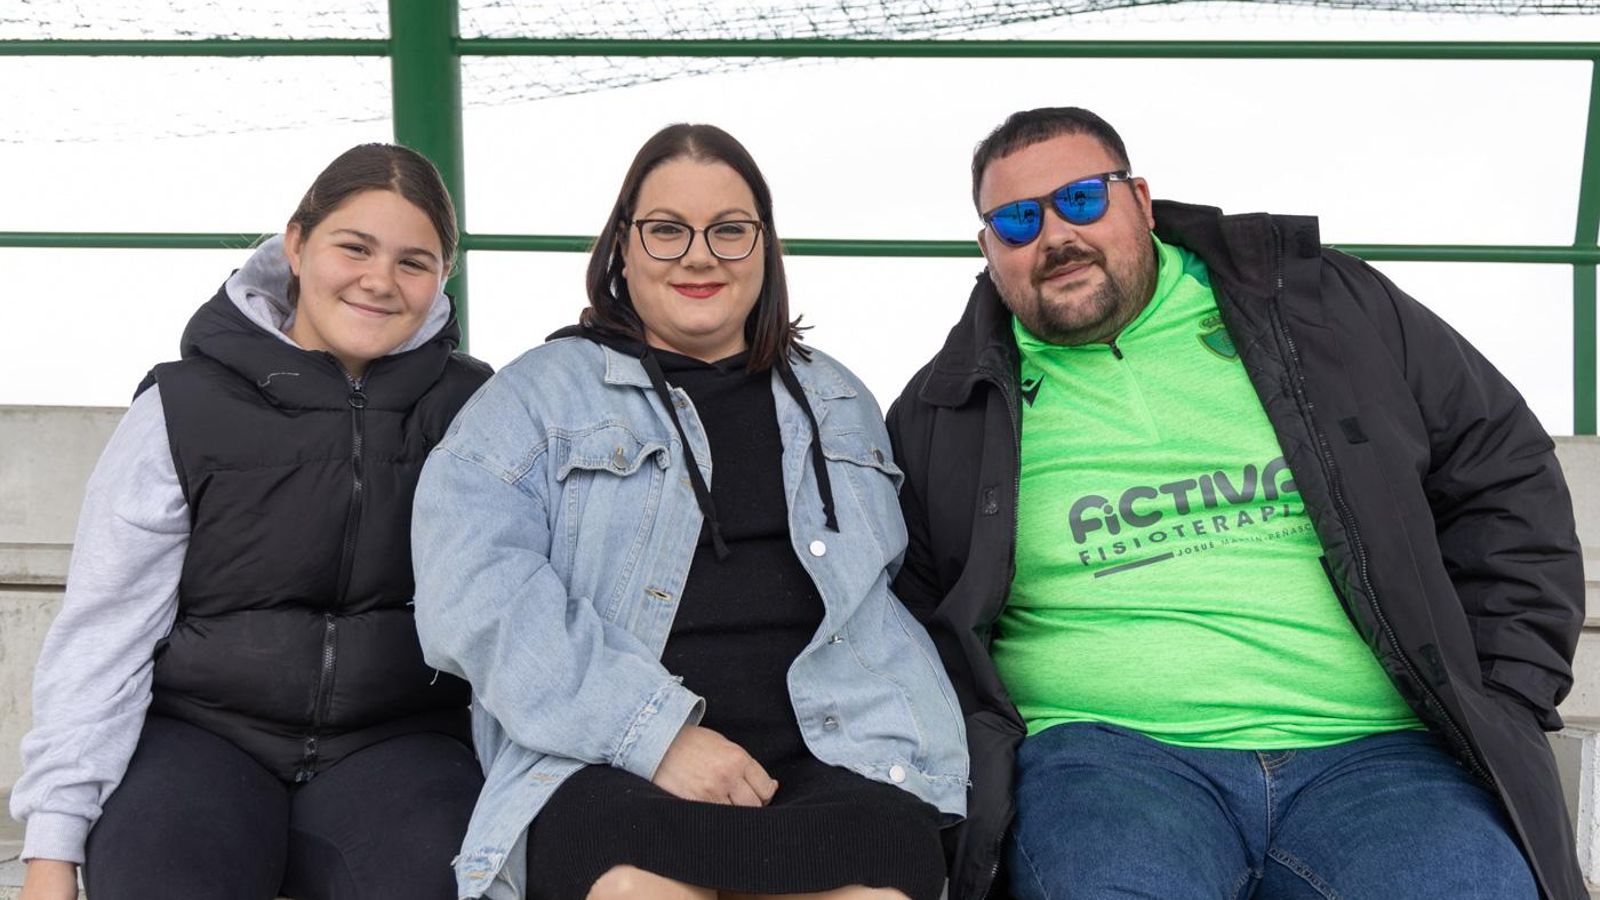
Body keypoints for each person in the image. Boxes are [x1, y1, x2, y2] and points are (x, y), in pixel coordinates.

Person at [885, 106, 1586, 900]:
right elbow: (907, 607)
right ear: (987, 251)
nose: (1054, 237)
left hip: (1378, 754)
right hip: (1111, 762)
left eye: (1081, 199)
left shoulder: (1317, 309)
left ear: (1140, 202)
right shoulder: (945, 409)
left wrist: (1509, 689)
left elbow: (1498, 467)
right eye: (1016, 221)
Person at [410, 122, 967, 900]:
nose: (699, 256)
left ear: (765, 249)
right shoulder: (532, 399)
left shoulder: (840, 399)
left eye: (729, 231)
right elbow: (471, 598)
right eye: (667, 231)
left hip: (841, 754)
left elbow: (894, 588)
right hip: (610, 761)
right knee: (645, 890)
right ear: (622, 251)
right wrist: (655, 734)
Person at [11, 143, 492, 900]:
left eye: (414, 261)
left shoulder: (477, 413)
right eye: (354, 247)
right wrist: (50, 847)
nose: (379, 281)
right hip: (203, 738)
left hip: (400, 744)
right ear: (297, 244)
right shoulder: (181, 407)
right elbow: (105, 632)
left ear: (442, 277)